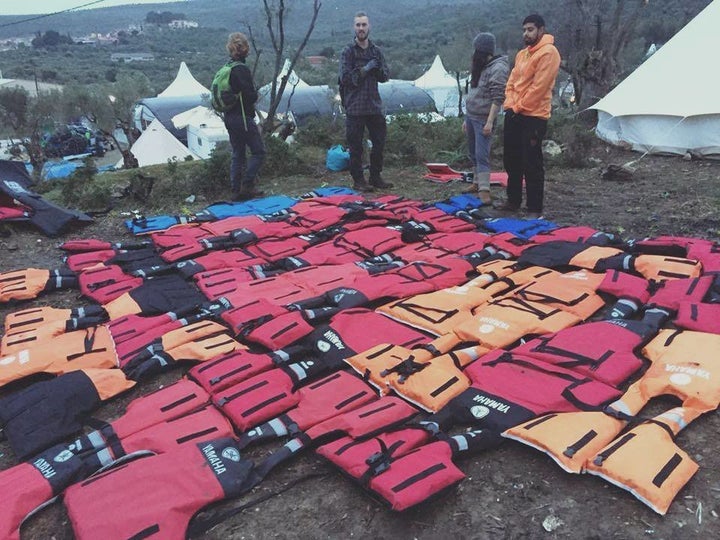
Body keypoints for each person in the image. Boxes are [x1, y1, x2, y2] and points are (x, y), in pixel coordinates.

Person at [500, 14, 561, 218]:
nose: (526, 33)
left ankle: (534, 208)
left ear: (541, 30)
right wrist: (510, 105)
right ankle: (513, 200)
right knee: (511, 158)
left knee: (531, 162)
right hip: (514, 112)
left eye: (530, 30)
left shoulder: (549, 53)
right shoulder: (522, 54)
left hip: (534, 116)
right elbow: (511, 81)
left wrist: (519, 106)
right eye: (524, 30)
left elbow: (539, 87)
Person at [339, 11, 393, 192]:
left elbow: (385, 76)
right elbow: (346, 79)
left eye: (364, 25)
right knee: (356, 147)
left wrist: (376, 70)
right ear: (354, 28)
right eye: (358, 25)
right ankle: (359, 180)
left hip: (374, 105)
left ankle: (375, 176)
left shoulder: (376, 51)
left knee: (379, 143)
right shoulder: (348, 52)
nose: (361, 28)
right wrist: (366, 68)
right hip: (355, 107)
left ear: (369, 27)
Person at [463, 32, 509, 205]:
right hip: (472, 115)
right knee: (472, 152)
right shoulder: (481, 66)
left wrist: (490, 121)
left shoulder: (498, 68)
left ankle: (484, 189)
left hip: (483, 118)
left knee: (482, 155)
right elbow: (474, 93)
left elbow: (498, 98)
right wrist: (466, 118)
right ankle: (476, 182)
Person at [223, 32, 266, 201]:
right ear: (245, 49)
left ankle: (235, 189)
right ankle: (247, 186)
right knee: (259, 151)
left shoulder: (227, 67)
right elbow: (250, 96)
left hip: (229, 116)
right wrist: (254, 94)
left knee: (238, 152)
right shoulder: (241, 69)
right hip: (242, 117)